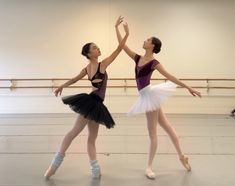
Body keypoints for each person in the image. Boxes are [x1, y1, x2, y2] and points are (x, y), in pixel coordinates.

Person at [115, 16, 201, 179]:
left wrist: (189, 87)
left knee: (152, 133)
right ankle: (182, 156)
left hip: (149, 96)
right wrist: (117, 29)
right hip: (149, 95)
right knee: (167, 127)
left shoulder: (154, 63)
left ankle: (149, 167)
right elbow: (122, 47)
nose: (145, 40)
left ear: (152, 45)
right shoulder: (138, 58)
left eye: (147, 39)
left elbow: (171, 76)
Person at [44, 18, 129, 179]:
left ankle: (95, 170)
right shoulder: (101, 65)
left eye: (97, 47)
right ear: (90, 53)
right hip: (92, 103)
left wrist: (62, 86)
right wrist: (123, 31)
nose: (98, 49)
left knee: (91, 139)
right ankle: (53, 166)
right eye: (95, 48)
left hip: (96, 104)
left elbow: (74, 79)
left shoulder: (90, 67)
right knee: (73, 133)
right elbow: (120, 48)